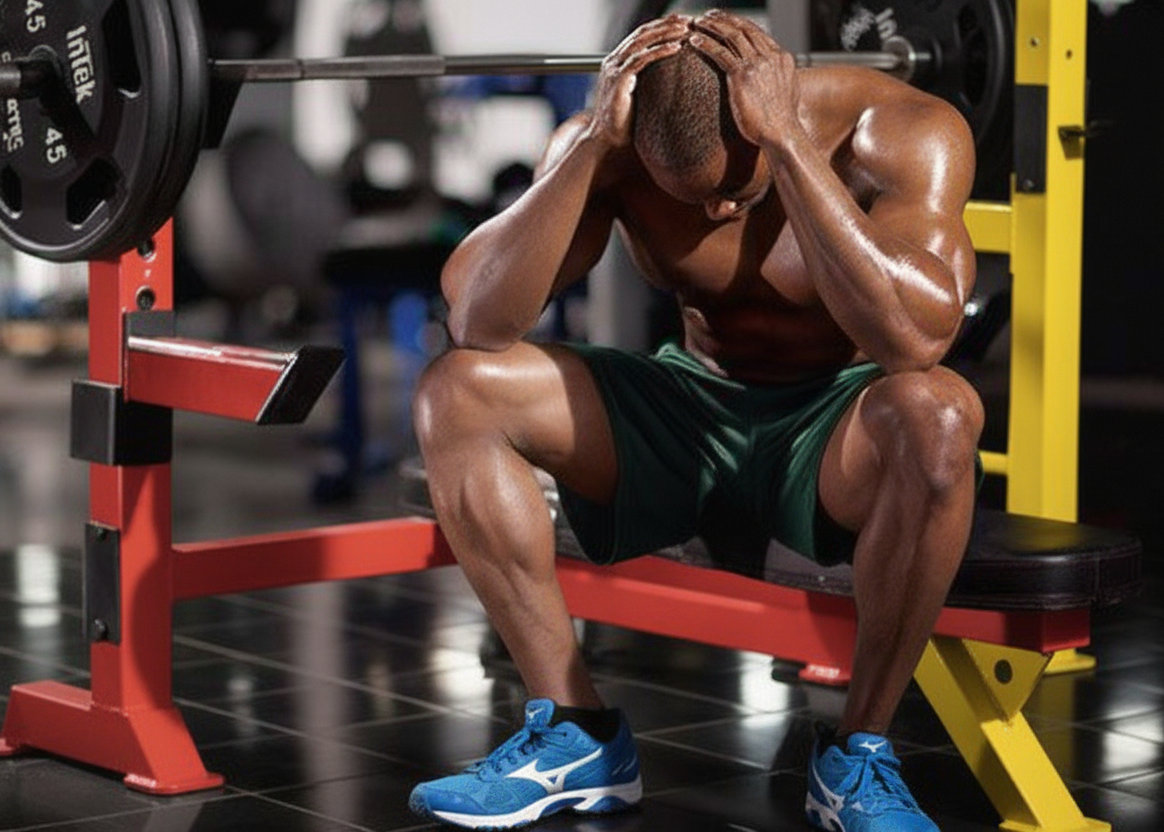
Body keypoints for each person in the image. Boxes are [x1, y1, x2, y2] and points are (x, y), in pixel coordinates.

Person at [409, 9, 983, 831]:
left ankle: (856, 756)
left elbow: (916, 339)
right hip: (686, 410)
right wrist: (590, 155)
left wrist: (785, 147)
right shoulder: (608, 143)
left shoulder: (899, 130)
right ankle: (575, 729)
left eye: (736, 190)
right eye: (691, 197)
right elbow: (478, 320)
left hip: (829, 432)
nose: (717, 213)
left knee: (941, 414)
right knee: (455, 391)